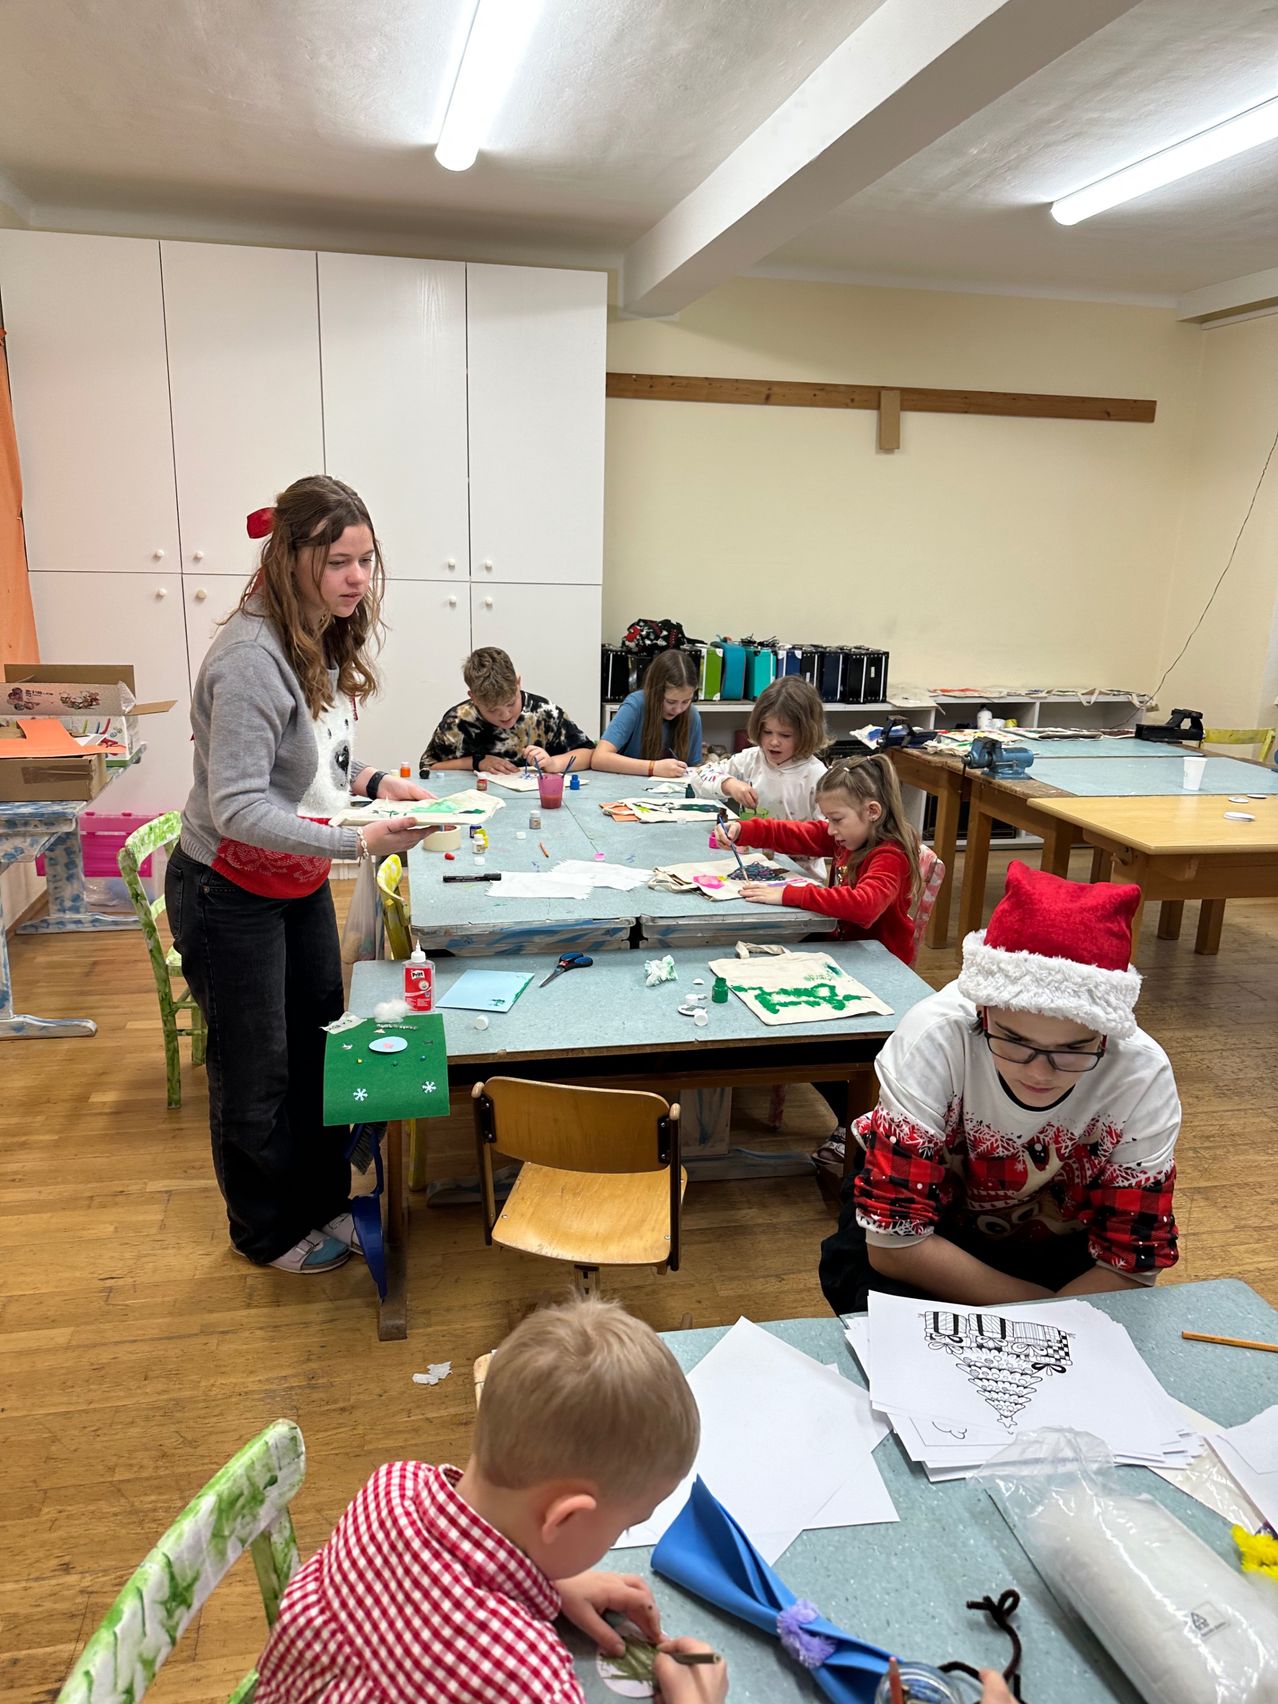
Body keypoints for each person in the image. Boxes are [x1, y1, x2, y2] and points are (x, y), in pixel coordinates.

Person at [167, 476, 433, 1275]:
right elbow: (242, 805)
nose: (357, 578)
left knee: (320, 1050)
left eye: (365, 560)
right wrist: (361, 844)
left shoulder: (312, 632)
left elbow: (315, 770)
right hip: (228, 889)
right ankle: (266, 1231)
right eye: (339, 561)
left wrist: (375, 786)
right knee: (257, 1071)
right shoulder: (252, 657)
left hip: (290, 878)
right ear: (292, 558)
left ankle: (320, 1205)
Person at [254, 1297, 727, 1704]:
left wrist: (549, 1584)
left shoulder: (393, 1486)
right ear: (564, 1518)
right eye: (625, 1525)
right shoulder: (528, 1680)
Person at [819, 862, 1181, 1315]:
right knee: (873, 1298)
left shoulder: (1141, 1075)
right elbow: (894, 1244)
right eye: (1014, 1041)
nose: (1040, 1073)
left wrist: (1043, 1318)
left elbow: (1130, 1264)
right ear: (982, 1011)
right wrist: (1042, 1315)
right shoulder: (935, 1038)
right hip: (936, 1240)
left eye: (1073, 1049)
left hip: (1052, 1248)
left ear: (1106, 1034)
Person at [691, 677, 828, 878]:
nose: (774, 742)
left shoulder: (817, 775)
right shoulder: (752, 759)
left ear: (807, 733)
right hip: (750, 868)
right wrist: (730, 785)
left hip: (799, 877)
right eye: (767, 732)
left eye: (785, 735)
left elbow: (828, 836)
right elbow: (699, 776)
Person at [421, 646, 595, 776]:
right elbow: (428, 768)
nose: (505, 715)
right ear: (473, 697)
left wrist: (552, 763)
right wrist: (476, 762)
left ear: (518, 683)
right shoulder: (457, 722)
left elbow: (588, 754)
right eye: (492, 710)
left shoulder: (545, 714)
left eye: (511, 703)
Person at [593, 649, 703, 778]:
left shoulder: (691, 715)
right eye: (671, 701)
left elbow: (694, 767)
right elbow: (599, 758)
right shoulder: (635, 706)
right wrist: (653, 768)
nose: (678, 709)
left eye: (686, 701)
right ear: (655, 692)